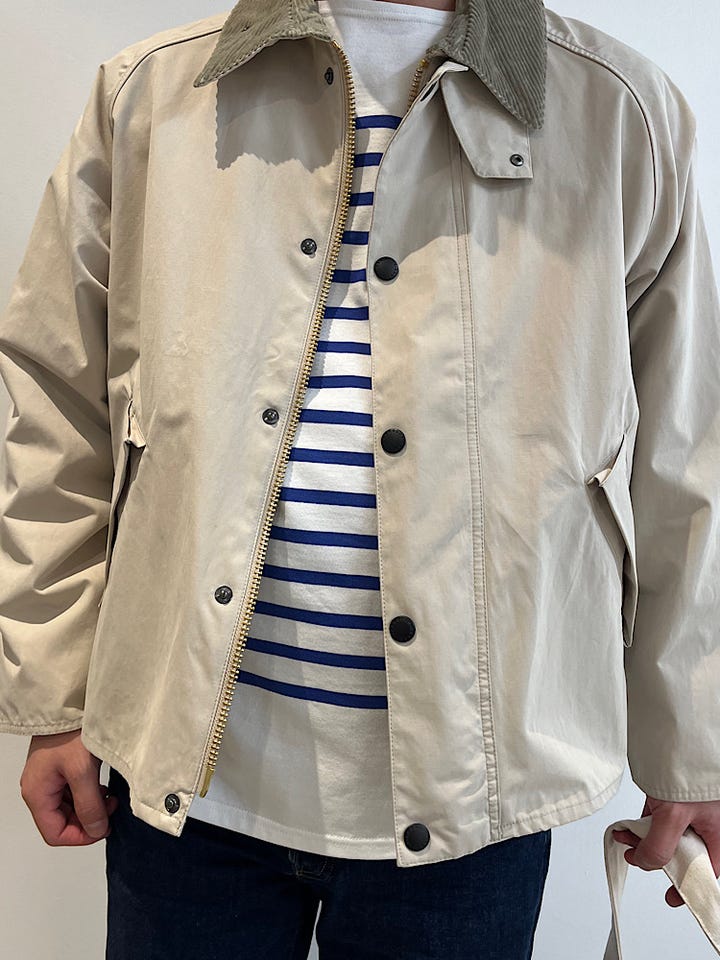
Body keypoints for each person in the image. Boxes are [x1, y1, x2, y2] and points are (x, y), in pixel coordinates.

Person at [2, 0, 720, 957]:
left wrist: (694, 747)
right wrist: (55, 697)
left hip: (475, 800)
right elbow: (57, 404)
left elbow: (688, 452)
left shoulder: (618, 110)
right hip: (185, 785)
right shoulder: (152, 95)